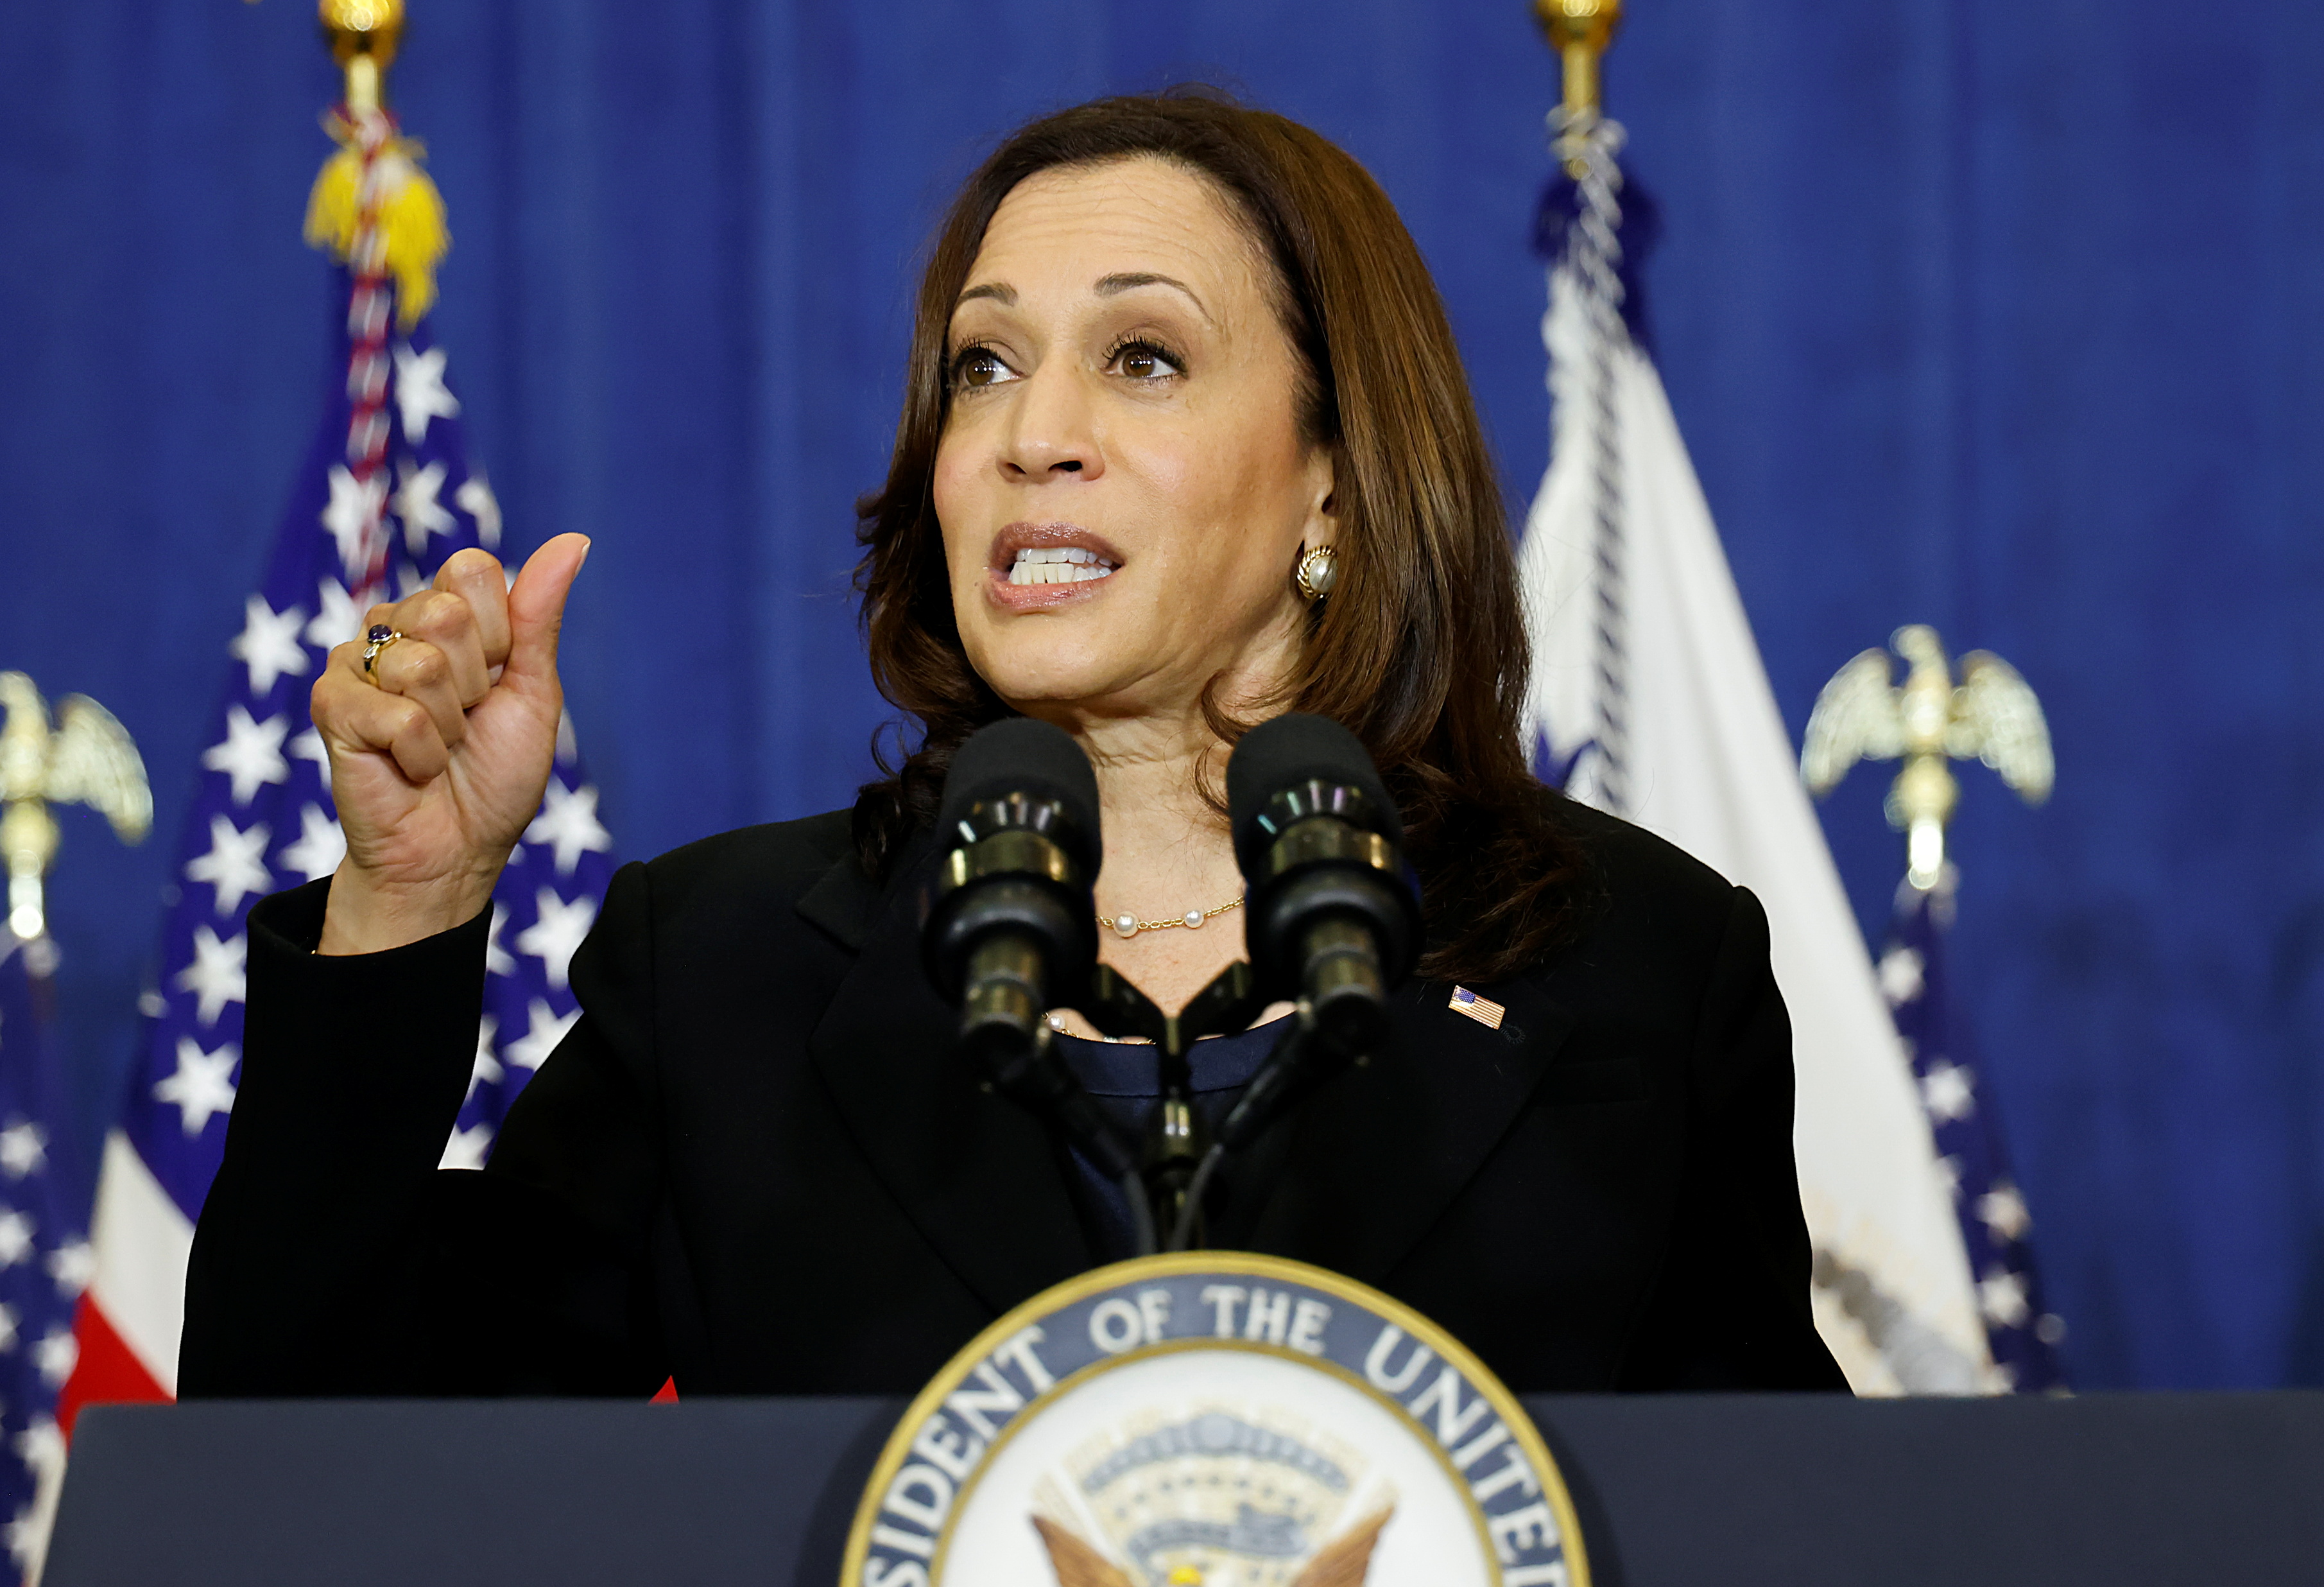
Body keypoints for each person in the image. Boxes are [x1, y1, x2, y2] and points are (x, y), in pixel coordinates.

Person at [181, 91, 1846, 1397]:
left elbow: (1762, 1533)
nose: (1034, 435)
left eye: (1142, 357)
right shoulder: (729, 967)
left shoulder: (1633, 964)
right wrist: (406, 899)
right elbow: (319, 1493)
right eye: (984, 366)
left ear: (1332, 480)